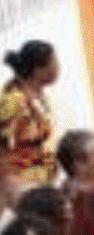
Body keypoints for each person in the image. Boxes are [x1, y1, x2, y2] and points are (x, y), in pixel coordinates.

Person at [0, 43, 60, 186]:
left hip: (41, 182)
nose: (58, 67)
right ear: (38, 70)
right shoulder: (13, 100)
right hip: (23, 186)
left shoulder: (37, 93)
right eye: (54, 63)